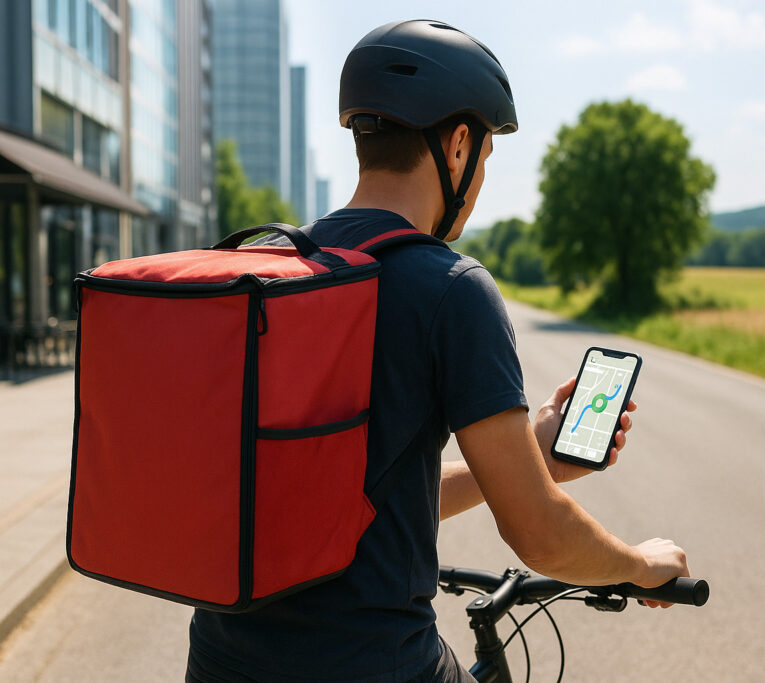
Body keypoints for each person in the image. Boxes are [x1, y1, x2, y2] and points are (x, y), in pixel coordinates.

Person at [186, 19, 689, 682]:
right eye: (485, 157)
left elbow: (341, 493)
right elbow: (539, 535)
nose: (478, 182)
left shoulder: (272, 267)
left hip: (220, 662)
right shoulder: (451, 287)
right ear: (457, 146)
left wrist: (528, 459)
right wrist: (641, 563)